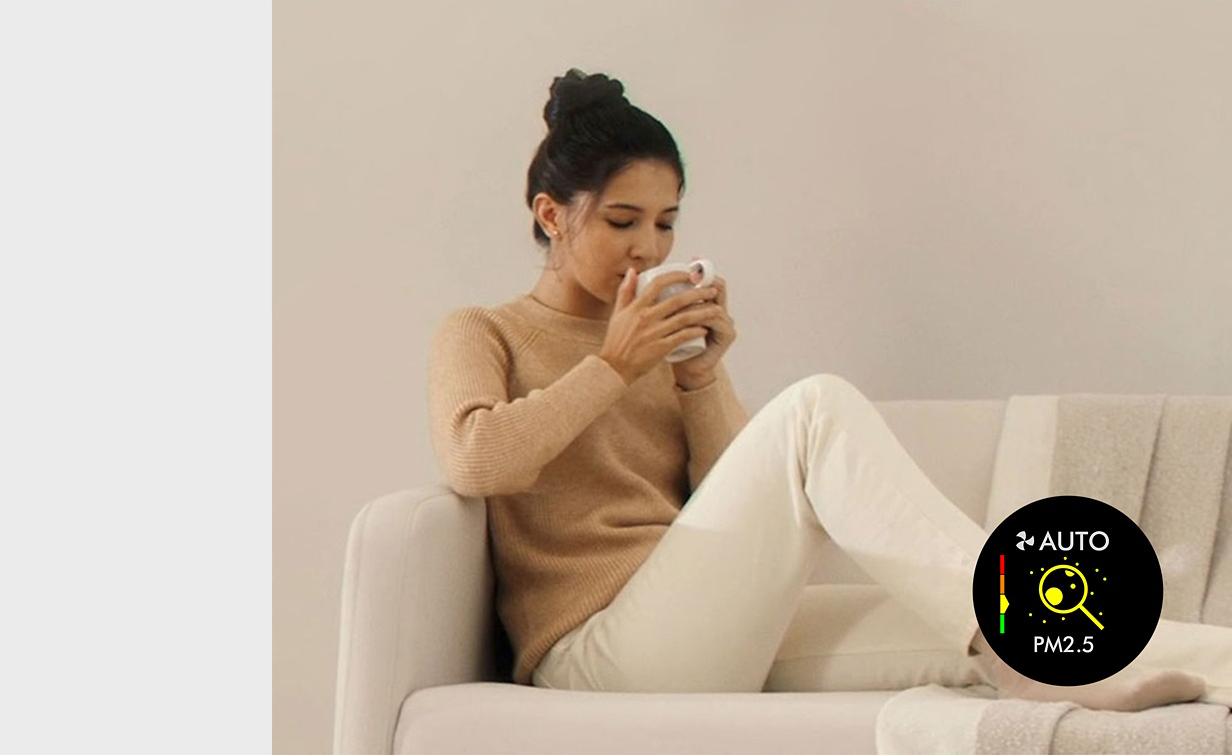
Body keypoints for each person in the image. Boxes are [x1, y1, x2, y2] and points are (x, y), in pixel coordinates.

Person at [426, 68, 1215, 711]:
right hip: (598, 655)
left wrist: (699, 376)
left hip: (698, 623)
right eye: (622, 222)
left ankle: (1181, 668)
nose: (649, 248)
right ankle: (1015, 649)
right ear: (552, 215)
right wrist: (614, 366)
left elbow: (736, 503)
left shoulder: (652, 341)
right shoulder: (483, 331)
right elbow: (477, 460)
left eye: (666, 223)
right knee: (815, 408)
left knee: (947, 618)